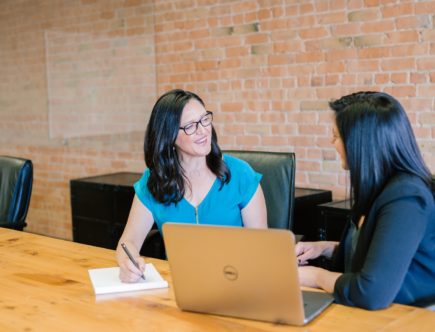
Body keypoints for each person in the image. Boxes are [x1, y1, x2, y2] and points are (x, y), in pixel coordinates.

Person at [296, 91, 435, 310]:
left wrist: (315, 276)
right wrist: (325, 248)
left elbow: (371, 293)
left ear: (360, 142)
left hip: (410, 316)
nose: (331, 142)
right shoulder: (380, 188)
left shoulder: (406, 198)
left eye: (336, 135)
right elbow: (380, 252)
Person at [116, 89, 267, 282]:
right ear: (169, 136)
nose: (203, 130)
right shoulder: (153, 182)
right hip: (180, 288)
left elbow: (262, 250)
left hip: (236, 283)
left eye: (205, 119)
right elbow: (128, 242)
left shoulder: (240, 175)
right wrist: (128, 263)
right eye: (190, 126)